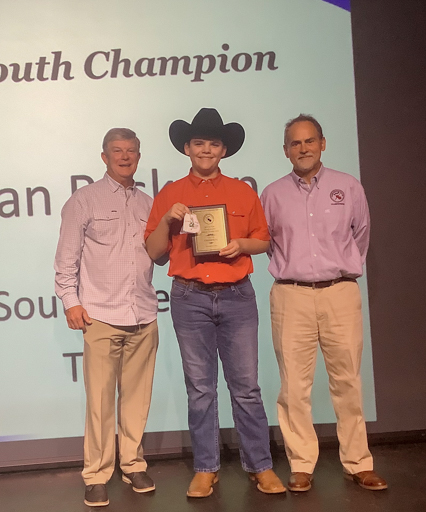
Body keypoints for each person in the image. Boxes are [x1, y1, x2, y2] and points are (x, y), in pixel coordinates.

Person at [145, 108, 286, 498]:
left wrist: (241, 245)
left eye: (213, 143)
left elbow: (264, 240)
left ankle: (260, 465)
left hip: (237, 295)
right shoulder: (170, 194)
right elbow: (154, 253)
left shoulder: (243, 192)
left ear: (224, 150)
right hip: (189, 298)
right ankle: (206, 468)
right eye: (199, 143)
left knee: (246, 387)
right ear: (186, 148)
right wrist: (167, 221)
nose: (206, 150)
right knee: (200, 389)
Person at [260, 114, 387, 492]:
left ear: (323, 144)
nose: (303, 148)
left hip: (339, 292)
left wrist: (338, 270)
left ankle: (358, 462)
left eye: (310, 141)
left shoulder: (348, 187)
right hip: (291, 294)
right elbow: (267, 243)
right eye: (295, 143)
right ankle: (301, 464)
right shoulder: (272, 194)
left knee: (347, 381)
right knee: (293, 387)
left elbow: (361, 236)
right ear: (285, 150)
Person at [54, 128, 159, 507]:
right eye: (117, 150)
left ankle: (132, 464)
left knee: (137, 399)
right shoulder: (84, 200)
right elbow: (66, 259)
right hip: (100, 315)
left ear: (139, 156)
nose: (125, 156)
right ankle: (97, 474)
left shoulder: (149, 203)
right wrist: (70, 301)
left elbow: (160, 253)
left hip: (144, 314)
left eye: (131, 151)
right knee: (100, 402)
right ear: (104, 157)